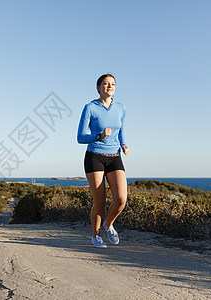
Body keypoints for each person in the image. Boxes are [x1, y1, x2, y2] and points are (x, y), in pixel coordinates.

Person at [77, 74, 130, 248]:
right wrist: (99, 136)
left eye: (113, 84)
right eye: (106, 84)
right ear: (98, 87)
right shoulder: (90, 108)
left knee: (121, 199)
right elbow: (80, 137)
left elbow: (120, 129)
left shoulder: (120, 108)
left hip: (115, 157)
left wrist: (123, 144)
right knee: (100, 200)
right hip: (95, 156)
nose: (109, 86)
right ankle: (96, 235)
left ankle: (108, 224)